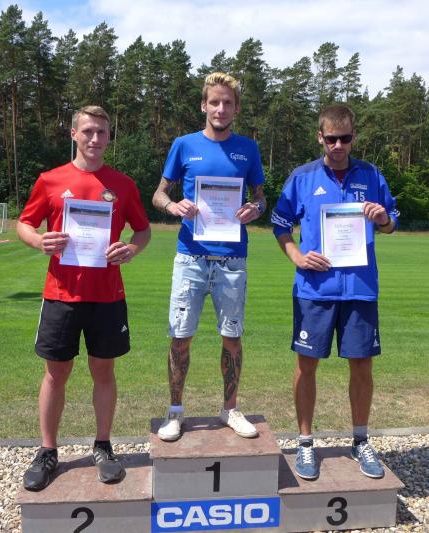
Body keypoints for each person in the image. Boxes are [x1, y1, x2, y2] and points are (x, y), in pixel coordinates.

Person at [17, 105, 151, 489]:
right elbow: (25, 224)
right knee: (55, 373)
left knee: (103, 371)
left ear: (109, 137)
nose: (95, 138)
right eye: (88, 131)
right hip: (61, 294)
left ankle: (103, 446)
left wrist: (131, 248)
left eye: (102, 132)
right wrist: (39, 241)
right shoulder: (51, 180)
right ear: (74, 133)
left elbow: (143, 231)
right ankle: (47, 451)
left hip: (107, 296)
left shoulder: (123, 184)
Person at [271, 103, 399, 481]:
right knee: (306, 365)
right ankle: (305, 442)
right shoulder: (303, 177)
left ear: (353, 137)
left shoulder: (371, 175)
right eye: (331, 139)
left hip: (360, 289)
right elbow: (280, 223)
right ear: (320, 137)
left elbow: (392, 219)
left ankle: (360, 440)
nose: (338, 145)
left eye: (345, 138)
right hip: (315, 289)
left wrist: (383, 219)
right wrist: (296, 256)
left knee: (361, 364)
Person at [152, 72, 266, 442]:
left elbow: (261, 198)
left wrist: (255, 209)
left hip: (232, 259)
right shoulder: (184, 145)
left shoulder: (248, 149)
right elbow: (158, 193)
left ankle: (230, 408)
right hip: (191, 257)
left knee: (232, 337)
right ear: (204, 105)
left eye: (227, 103)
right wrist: (172, 206)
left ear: (236, 108)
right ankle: (175, 411)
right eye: (214, 102)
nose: (220, 108)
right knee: (180, 336)